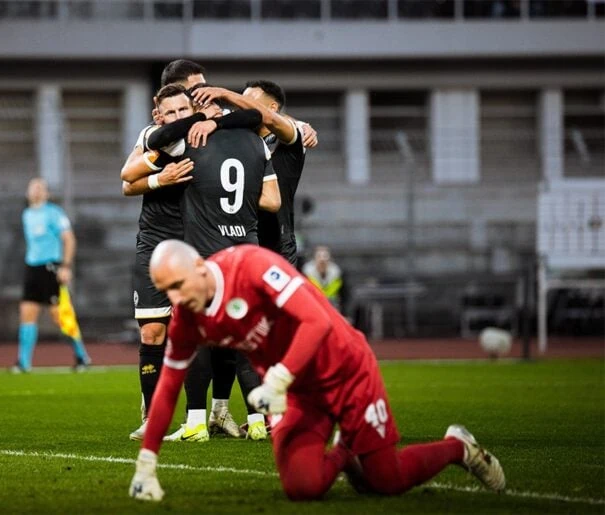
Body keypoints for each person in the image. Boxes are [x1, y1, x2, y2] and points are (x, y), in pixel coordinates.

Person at [128, 239, 506, 502]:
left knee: (388, 481)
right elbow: (167, 388)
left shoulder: (252, 266)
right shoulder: (186, 318)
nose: (175, 299)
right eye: (166, 291)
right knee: (302, 487)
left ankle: (458, 447)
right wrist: (147, 462)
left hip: (346, 372)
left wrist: (276, 378)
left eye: (178, 285)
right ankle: (348, 449)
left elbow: (317, 323)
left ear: (199, 266)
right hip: (298, 393)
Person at [121, 77, 262, 441]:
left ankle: (212, 414)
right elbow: (126, 180)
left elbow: (252, 118)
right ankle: (154, 418)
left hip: (196, 242)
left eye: (186, 108)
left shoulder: (204, 135)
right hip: (156, 242)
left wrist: (214, 121)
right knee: (154, 331)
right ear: (158, 112)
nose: (180, 114)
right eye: (172, 110)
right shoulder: (157, 137)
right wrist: (160, 180)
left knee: (210, 333)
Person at [191, 79, 308, 266]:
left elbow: (270, 119)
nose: (240, 106)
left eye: (247, 101)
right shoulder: (240, 140)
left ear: (273, 107)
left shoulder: (290, 137)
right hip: (240, 240)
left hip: (277, 244)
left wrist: (225, 93)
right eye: (239, 101)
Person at [13, 178, 91, 373]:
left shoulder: (54, 213)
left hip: (51, 267)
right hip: (32, 268)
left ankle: (82, 355)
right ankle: (23, 363)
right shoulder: (27, 214)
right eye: (33, 188)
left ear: (47, 193)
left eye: (41, 188)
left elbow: (69, 239)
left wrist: (65, 266)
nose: (37, 191)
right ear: (27, 193)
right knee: (27, 313)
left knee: (60, 315)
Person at [303, 245, 348, 315]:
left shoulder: (337, 275)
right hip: (313, 310)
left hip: (333, 309)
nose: (322, 260)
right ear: (314, 259)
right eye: (319, 256)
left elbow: (344, 296)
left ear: (330, 259)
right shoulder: (306, 276)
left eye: (325, 256)